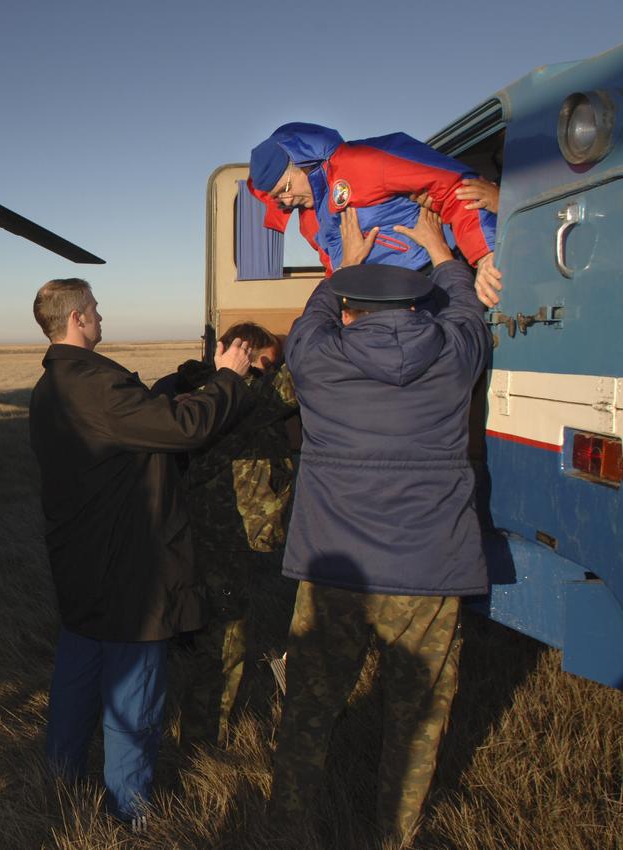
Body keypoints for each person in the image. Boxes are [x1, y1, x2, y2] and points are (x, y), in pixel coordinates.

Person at [269, 208, 489, 846]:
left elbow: (308, 320)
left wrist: (344, 262)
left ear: (347, 312)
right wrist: (440, 249)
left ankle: (288, 833)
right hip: (430, 569)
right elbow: (468, 312)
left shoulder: (316, 360)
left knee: (310, 708)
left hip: (335, 568)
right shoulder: (455, 356)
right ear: (418, 308)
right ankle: (395, 835)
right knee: (417, 719)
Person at [27, 278, 252, 826]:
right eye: (95, 308)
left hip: (82, 568)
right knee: (135, 705)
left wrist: (165, 400)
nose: (101, 316)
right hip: (131, 576)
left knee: (76, 684)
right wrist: (228, 378)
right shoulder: (95, 385)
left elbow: (128, 436)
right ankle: (132, 815)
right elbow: (185, 430)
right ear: (78, 318)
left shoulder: (52, 385)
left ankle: (57, 789)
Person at [154, 322, 300, 747]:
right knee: (224, 637)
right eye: (265, 364)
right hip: (223, 535)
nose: (270, 373)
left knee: (207, 628)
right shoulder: (245, 395)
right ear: (244, 356)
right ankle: (202, 740)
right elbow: (295, 383)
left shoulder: (202, 390)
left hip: (200, 528)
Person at [247, 122, 504, 306]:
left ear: (304, 161)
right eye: (278, 197)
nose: (287, 201)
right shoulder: (309, 220)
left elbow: (454, 186)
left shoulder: (362, 162)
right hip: (378, 304)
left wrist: (484, 253)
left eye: (286, 188)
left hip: (429, 282)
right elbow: (332, 269)